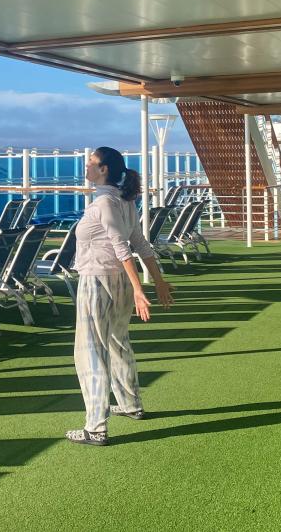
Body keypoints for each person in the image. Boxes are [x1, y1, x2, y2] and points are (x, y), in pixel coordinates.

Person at [66, 146, 174, 447]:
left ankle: (96, 427)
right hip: (119, 284)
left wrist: (143, 288)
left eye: (91, 163)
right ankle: (129, 403)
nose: (86, 167)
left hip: (98, 282)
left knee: (90, 351)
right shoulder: (125, 200)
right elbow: (140, 241)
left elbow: (122, 246)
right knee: (117, 342)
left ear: (103, 170)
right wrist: (156, 281)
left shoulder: (104, 202)